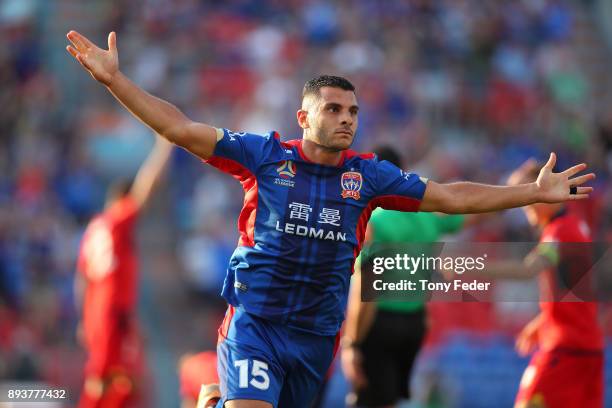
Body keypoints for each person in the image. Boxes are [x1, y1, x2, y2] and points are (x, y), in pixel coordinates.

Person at [65, 30, 594, 408]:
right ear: (304, 117)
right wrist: (116, 82)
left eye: (353, 112)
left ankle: (214, 401)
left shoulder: (369, 178)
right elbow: (180, 129)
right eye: (334, 109)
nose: (346, 120)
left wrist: (530, 191)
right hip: (257, 325)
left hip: (315, 336)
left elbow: (452, 198)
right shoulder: (265, 157)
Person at [341, 146, 467, 408]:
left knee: (367, 400)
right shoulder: (427, 215)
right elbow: (469, 215)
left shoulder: (373, 220)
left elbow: (367, 290)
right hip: (414, 322)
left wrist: (352, 344)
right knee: (388, 400)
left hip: (378, 322)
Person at [496, 160, 604, 408]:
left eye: (525, 194)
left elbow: (528, 269)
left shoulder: (559, 232)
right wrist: (544, 320)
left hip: (566, 350)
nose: (522, 204)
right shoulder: (575, 226)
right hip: (589, 350)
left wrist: (470, 267)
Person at [75, 135, 172, 408]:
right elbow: (146, 191)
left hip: (103, 313)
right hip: (111, 315)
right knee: (106, 384)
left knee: (125, 384)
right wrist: (164, 147)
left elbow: (82, 277)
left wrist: (84, 318)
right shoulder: (117, 220)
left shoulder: (94, 228)